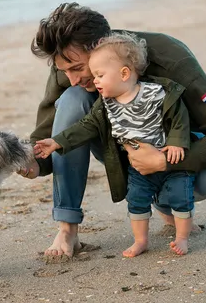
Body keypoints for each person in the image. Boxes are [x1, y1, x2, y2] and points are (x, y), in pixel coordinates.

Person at [18, 3, 206, 258]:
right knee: (73, 99)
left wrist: (163, 161)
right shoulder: (68, 61)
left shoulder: (169, 57)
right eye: (64, 71)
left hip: (176, 148)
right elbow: (48, 129)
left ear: (99, 46)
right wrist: (35, 162)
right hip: (122, 152)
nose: (71, 78)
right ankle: (67, 229)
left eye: (77, 69)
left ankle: (165, 201)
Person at [34, 32, 195, 257]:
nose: (95, 80)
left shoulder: (157, 92)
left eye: (99, 75)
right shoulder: (106, 104)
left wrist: (177, 142)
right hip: (138, 167)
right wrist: (57, 142)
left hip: (168, 160)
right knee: (136, 200)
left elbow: (178, 117)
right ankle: (141, 241)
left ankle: (182, 238)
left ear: (124, 73)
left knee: (180, 196)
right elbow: (86, 126)